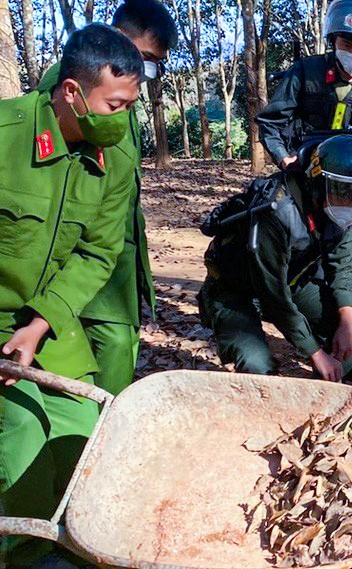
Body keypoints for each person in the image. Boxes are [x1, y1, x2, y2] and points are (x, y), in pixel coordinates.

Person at [0, 24, 143, 566]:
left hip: (48, 324)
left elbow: (96, 254)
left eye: (132, 103)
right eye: (115, 103)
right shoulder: (5, 134)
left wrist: (38, 327)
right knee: (21, 436)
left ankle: (81, 550)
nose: (124, 116)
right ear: (71, 92)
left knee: (85, 437)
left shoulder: (116, 161)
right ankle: (24, 554)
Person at [256, 0, 352, 391]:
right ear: (333, 39)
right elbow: (271, 121)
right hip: (309, 180)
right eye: (345, 42)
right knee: (315, 265)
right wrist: (285, 158)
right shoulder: (304, 74)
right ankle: (319, 347)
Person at [37, 0, 178, 396]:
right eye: (144, 56)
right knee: (108, 349)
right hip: (79, 252)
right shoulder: (73, 86)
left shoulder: (121, 95)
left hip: (113, 251)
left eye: (155, 62)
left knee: (118, 349)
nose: (148, 70)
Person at [198, 136, 352, 383]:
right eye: (343, 190)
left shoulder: (345, 207)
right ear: (317, 182)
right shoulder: (277, 212)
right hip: (234, 289)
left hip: (294, 281)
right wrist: (315, 352)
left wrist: (346, 322)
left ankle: (319, 393)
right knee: (258, 366)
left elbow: (342, 266)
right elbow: (274, 296)